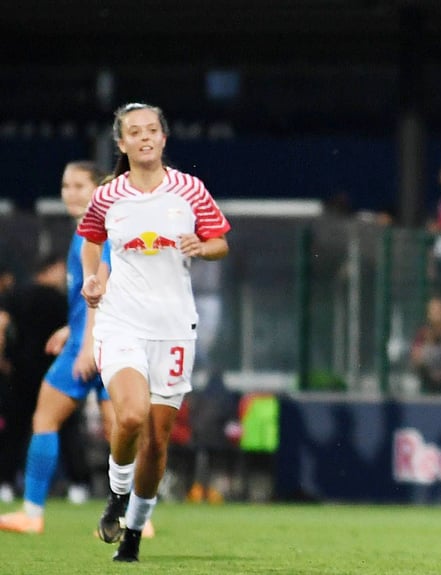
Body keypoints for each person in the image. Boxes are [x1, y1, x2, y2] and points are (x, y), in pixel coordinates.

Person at [78, 102, 231, 562]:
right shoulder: (108, 195)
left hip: (174, 328)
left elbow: (221, 242)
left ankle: (133, 534)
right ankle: (116, 495)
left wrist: (203, 247)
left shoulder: (190, 189)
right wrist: (93, 278)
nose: (144, 137)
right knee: (129, 417)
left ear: (163, 138)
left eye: (151, 130)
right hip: (122, 322)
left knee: (157, 440)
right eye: (134, 132)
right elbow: (91, 241)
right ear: (121, 143)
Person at [0, 162, 118, 534]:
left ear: (98, 188)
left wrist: (87, 343)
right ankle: (133, 519)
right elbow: (100, 293)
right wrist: (72, 327)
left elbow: (101, 290)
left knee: (46, 419)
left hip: (94, 344)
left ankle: (33, 513)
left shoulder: (94, 234)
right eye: (66, 186)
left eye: (80, 185)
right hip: (106, 339)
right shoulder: (94, 231)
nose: (70, 193)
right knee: (118, 431)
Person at [0, 255, 68, 505]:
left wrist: (3, 359)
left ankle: (6, 483)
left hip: (19, 372)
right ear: (51, 269)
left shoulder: (16, 294)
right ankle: (77, 485)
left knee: (15, 431)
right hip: (53, 371)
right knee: (62, 429)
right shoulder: (60, 299)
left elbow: (2, 324)